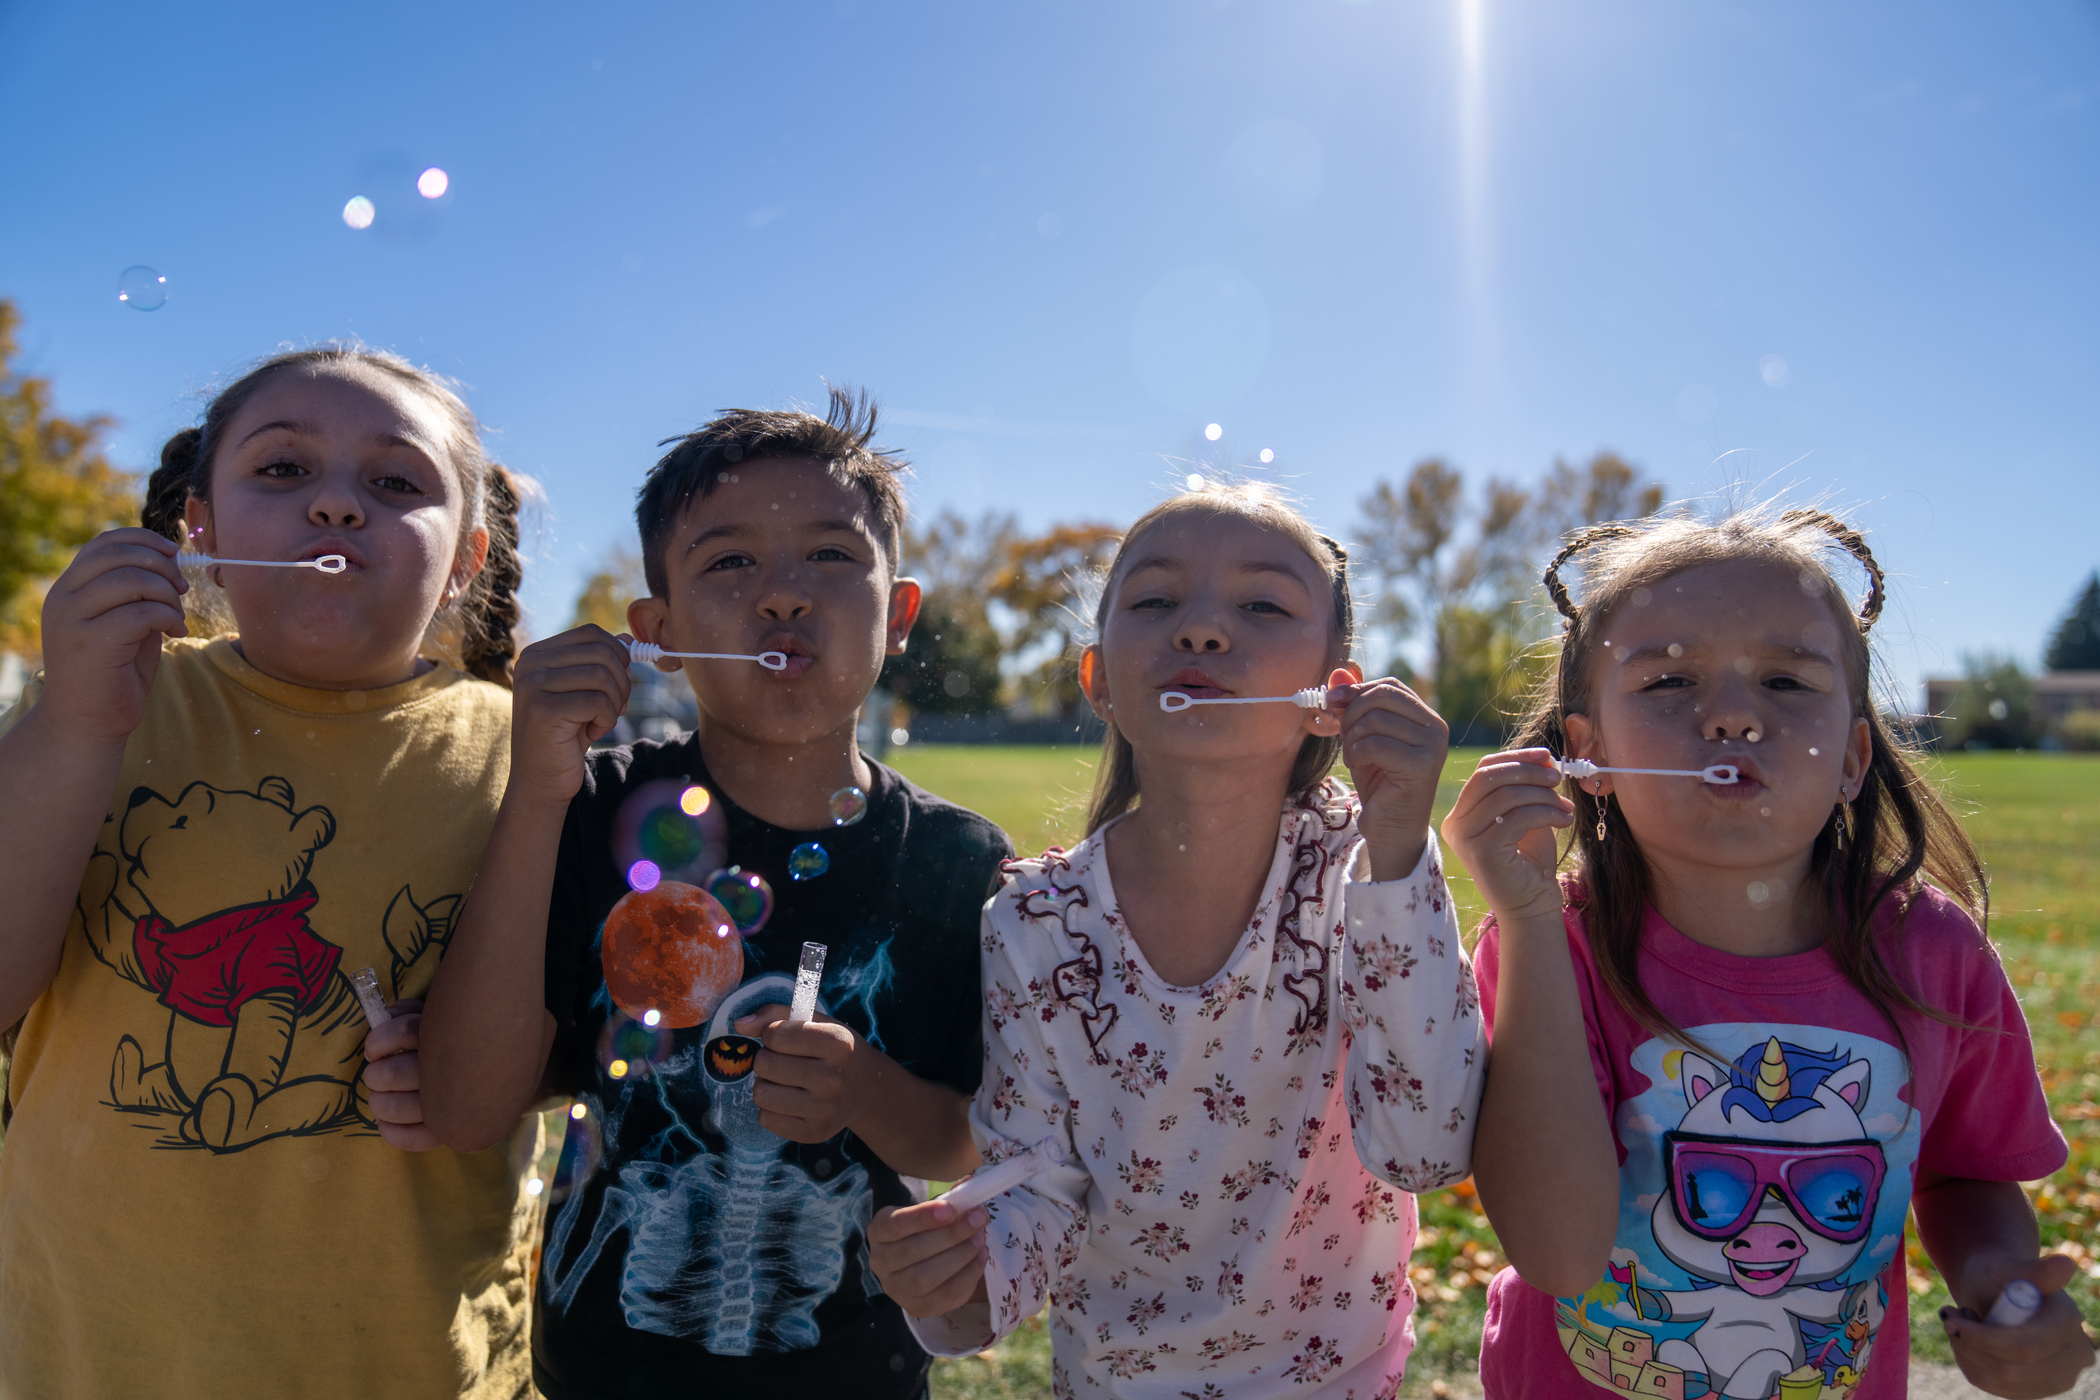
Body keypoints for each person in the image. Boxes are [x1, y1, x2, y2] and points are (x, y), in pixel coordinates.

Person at [418, 388, 1012, 1400]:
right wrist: (534, 791)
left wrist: (863, 1089)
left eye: (831, 555)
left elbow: (963, 1135)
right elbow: (467, 1100)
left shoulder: (956, 859)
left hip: (857, 1373)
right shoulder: (590, 806)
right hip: (606, 1369)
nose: (782, 595)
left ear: (898, 611)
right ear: (662, 628)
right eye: (730, 562)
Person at [1446, 507, 2094, 1399]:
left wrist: (1997, 1286)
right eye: (1670, 680)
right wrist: (1521, 921)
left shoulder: (1934, 954)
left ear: (1852, 762)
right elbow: (1558, 1252)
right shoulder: (1549, 946)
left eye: (1786, 683)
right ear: (1587, 757)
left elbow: (1964, 1171)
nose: (1733, 717)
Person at [868, 482, 1488, 1397]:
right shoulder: (1036, 923)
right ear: (1100, 680)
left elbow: (1427, 1148)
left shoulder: (1366, 871)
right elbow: (1035, 1185)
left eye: (1262, 605)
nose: (1200, 630)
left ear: (1334, 690)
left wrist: (1400, 850)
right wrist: (959, 1284)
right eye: (1156, 601)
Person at [0, 346, 536, 1398]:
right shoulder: (112, 697)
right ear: (198, 528)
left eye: (395, 482)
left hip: (406, 1360)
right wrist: (72, 720)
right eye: (283, 471)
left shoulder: (533, 758)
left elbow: (577, 1043)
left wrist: (477, 1056)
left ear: (467, 557)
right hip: (92, 1354)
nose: (337, 506)